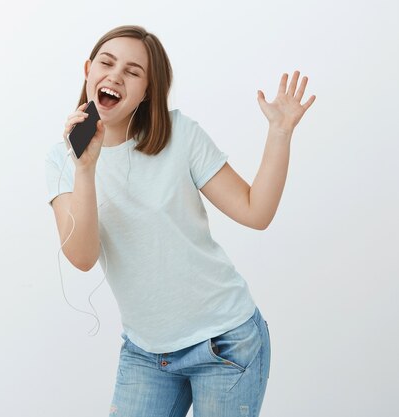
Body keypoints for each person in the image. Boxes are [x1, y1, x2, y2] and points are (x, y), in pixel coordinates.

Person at [44, 25, 315, 417]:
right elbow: (83, 257)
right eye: (106, 62)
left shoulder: (180, 135)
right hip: (145, 352)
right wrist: (85, 168)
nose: (116, 75)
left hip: (226, 342)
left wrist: (280, 132)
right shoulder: (61, 159)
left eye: (133, 71)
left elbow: (256, 212)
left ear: (148, 90)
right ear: (88, 70)